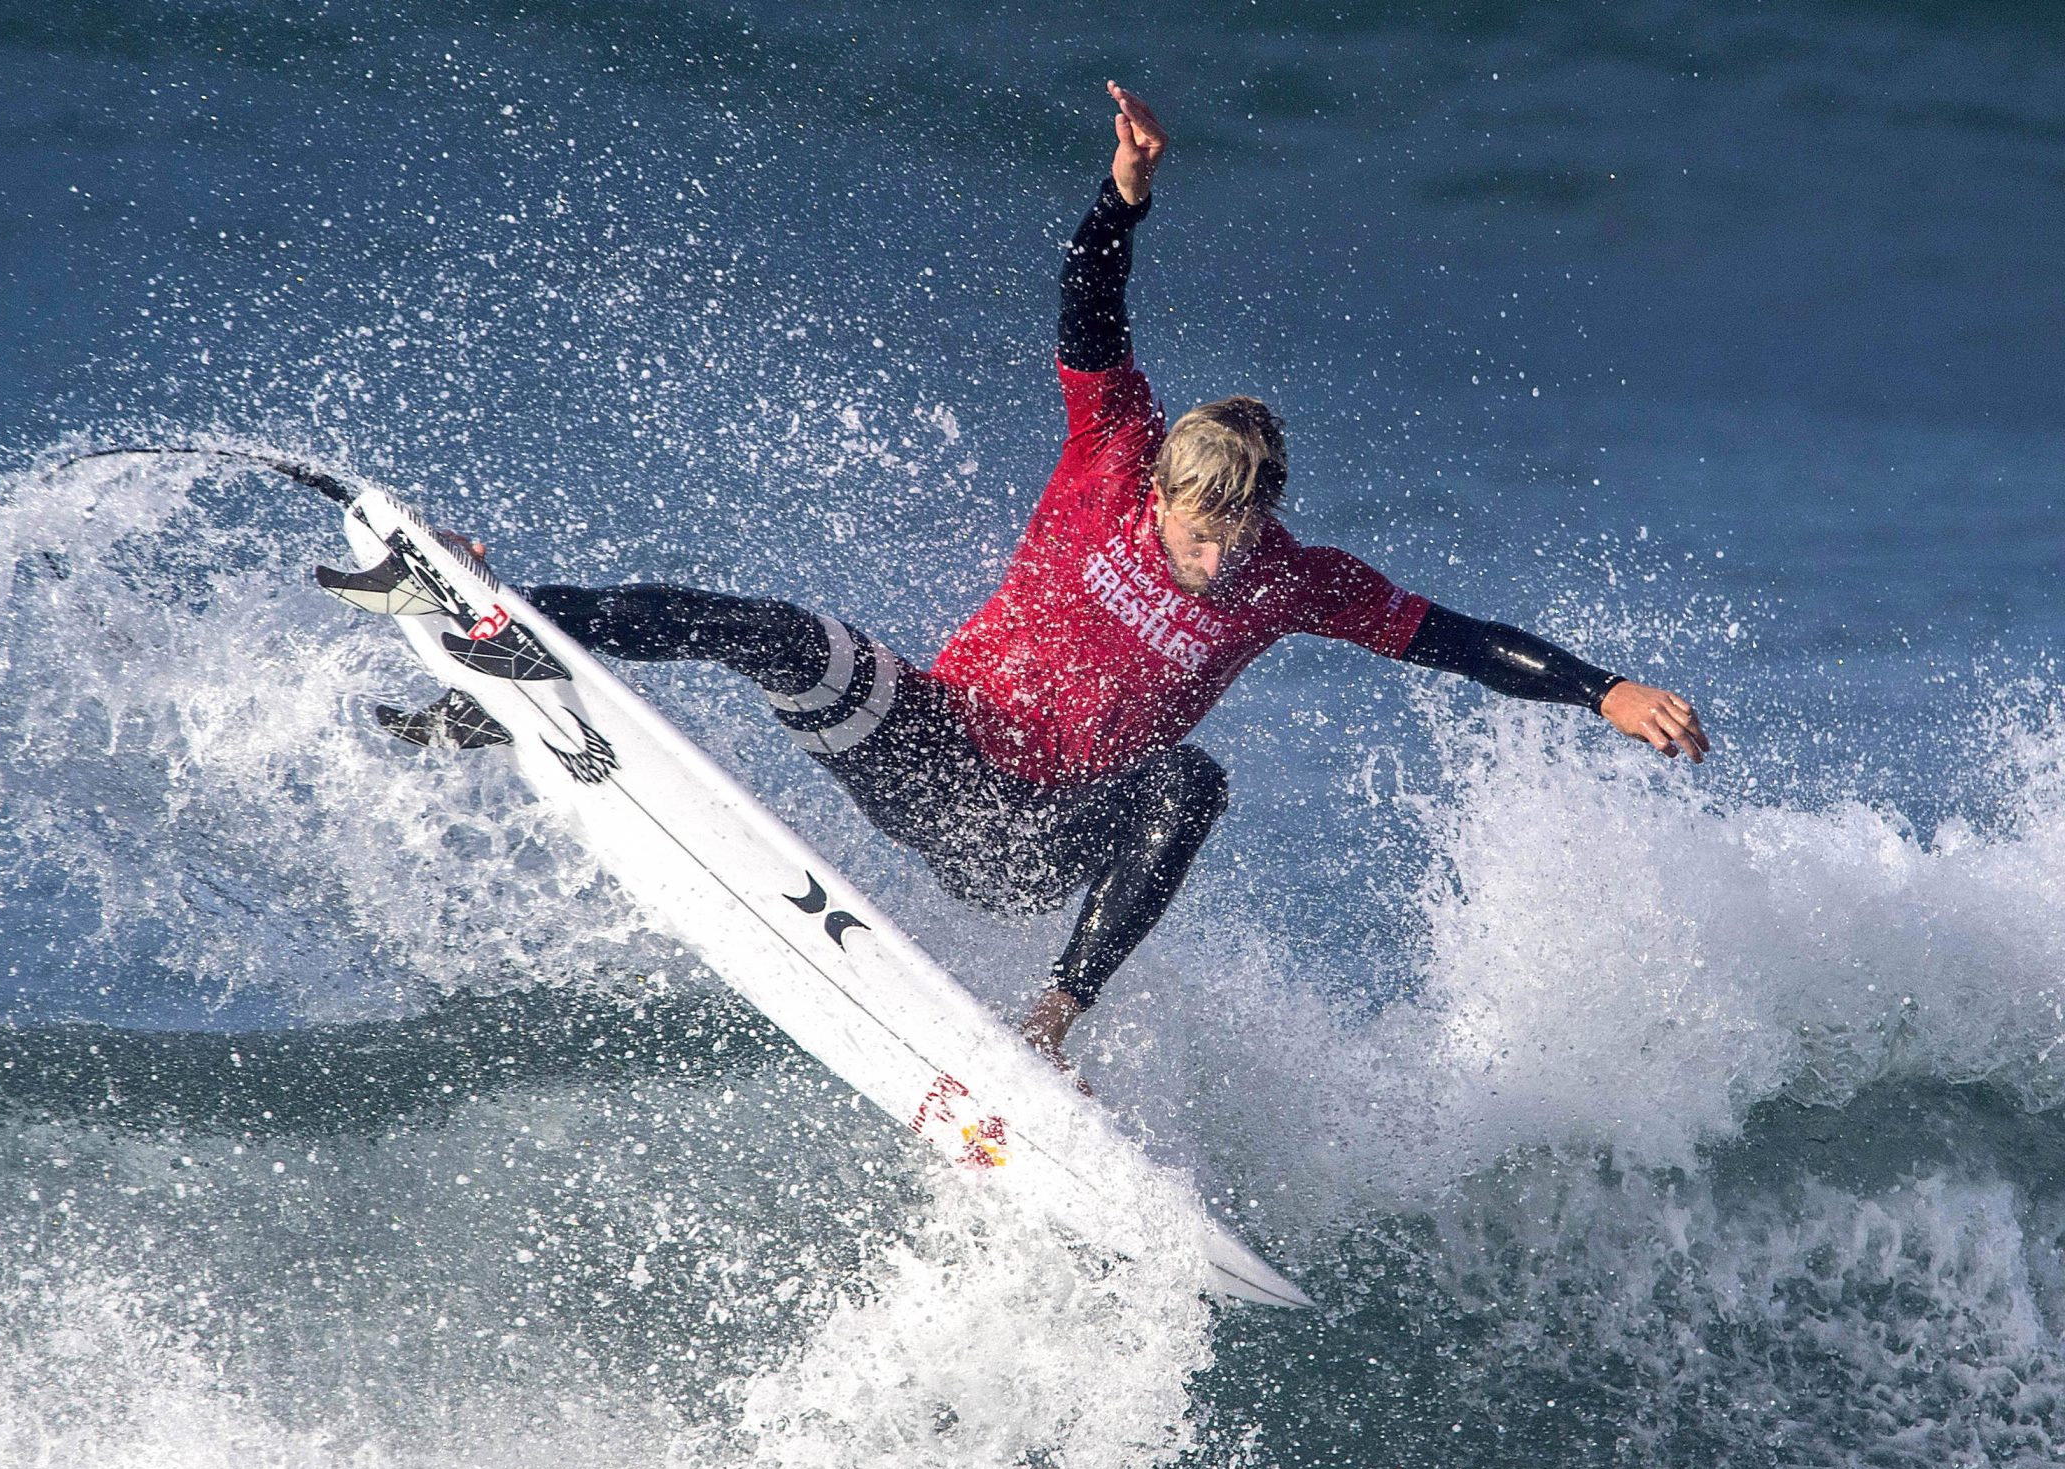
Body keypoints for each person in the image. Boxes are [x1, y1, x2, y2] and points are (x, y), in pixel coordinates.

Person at [391, 82, 1709, 1062]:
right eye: (1199, 525)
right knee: (780, 634)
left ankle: (1050, 1021)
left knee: (1192, 780)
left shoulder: (1296, 584)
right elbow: (1091, 312)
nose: (1215, 551)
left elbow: (1455, 639)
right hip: (925, 742)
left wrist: (1602, 690)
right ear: (1167, 491)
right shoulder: (1111, 456)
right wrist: (1122, 198)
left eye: (1238, 532)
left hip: (1027, 838)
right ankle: (505, 635)